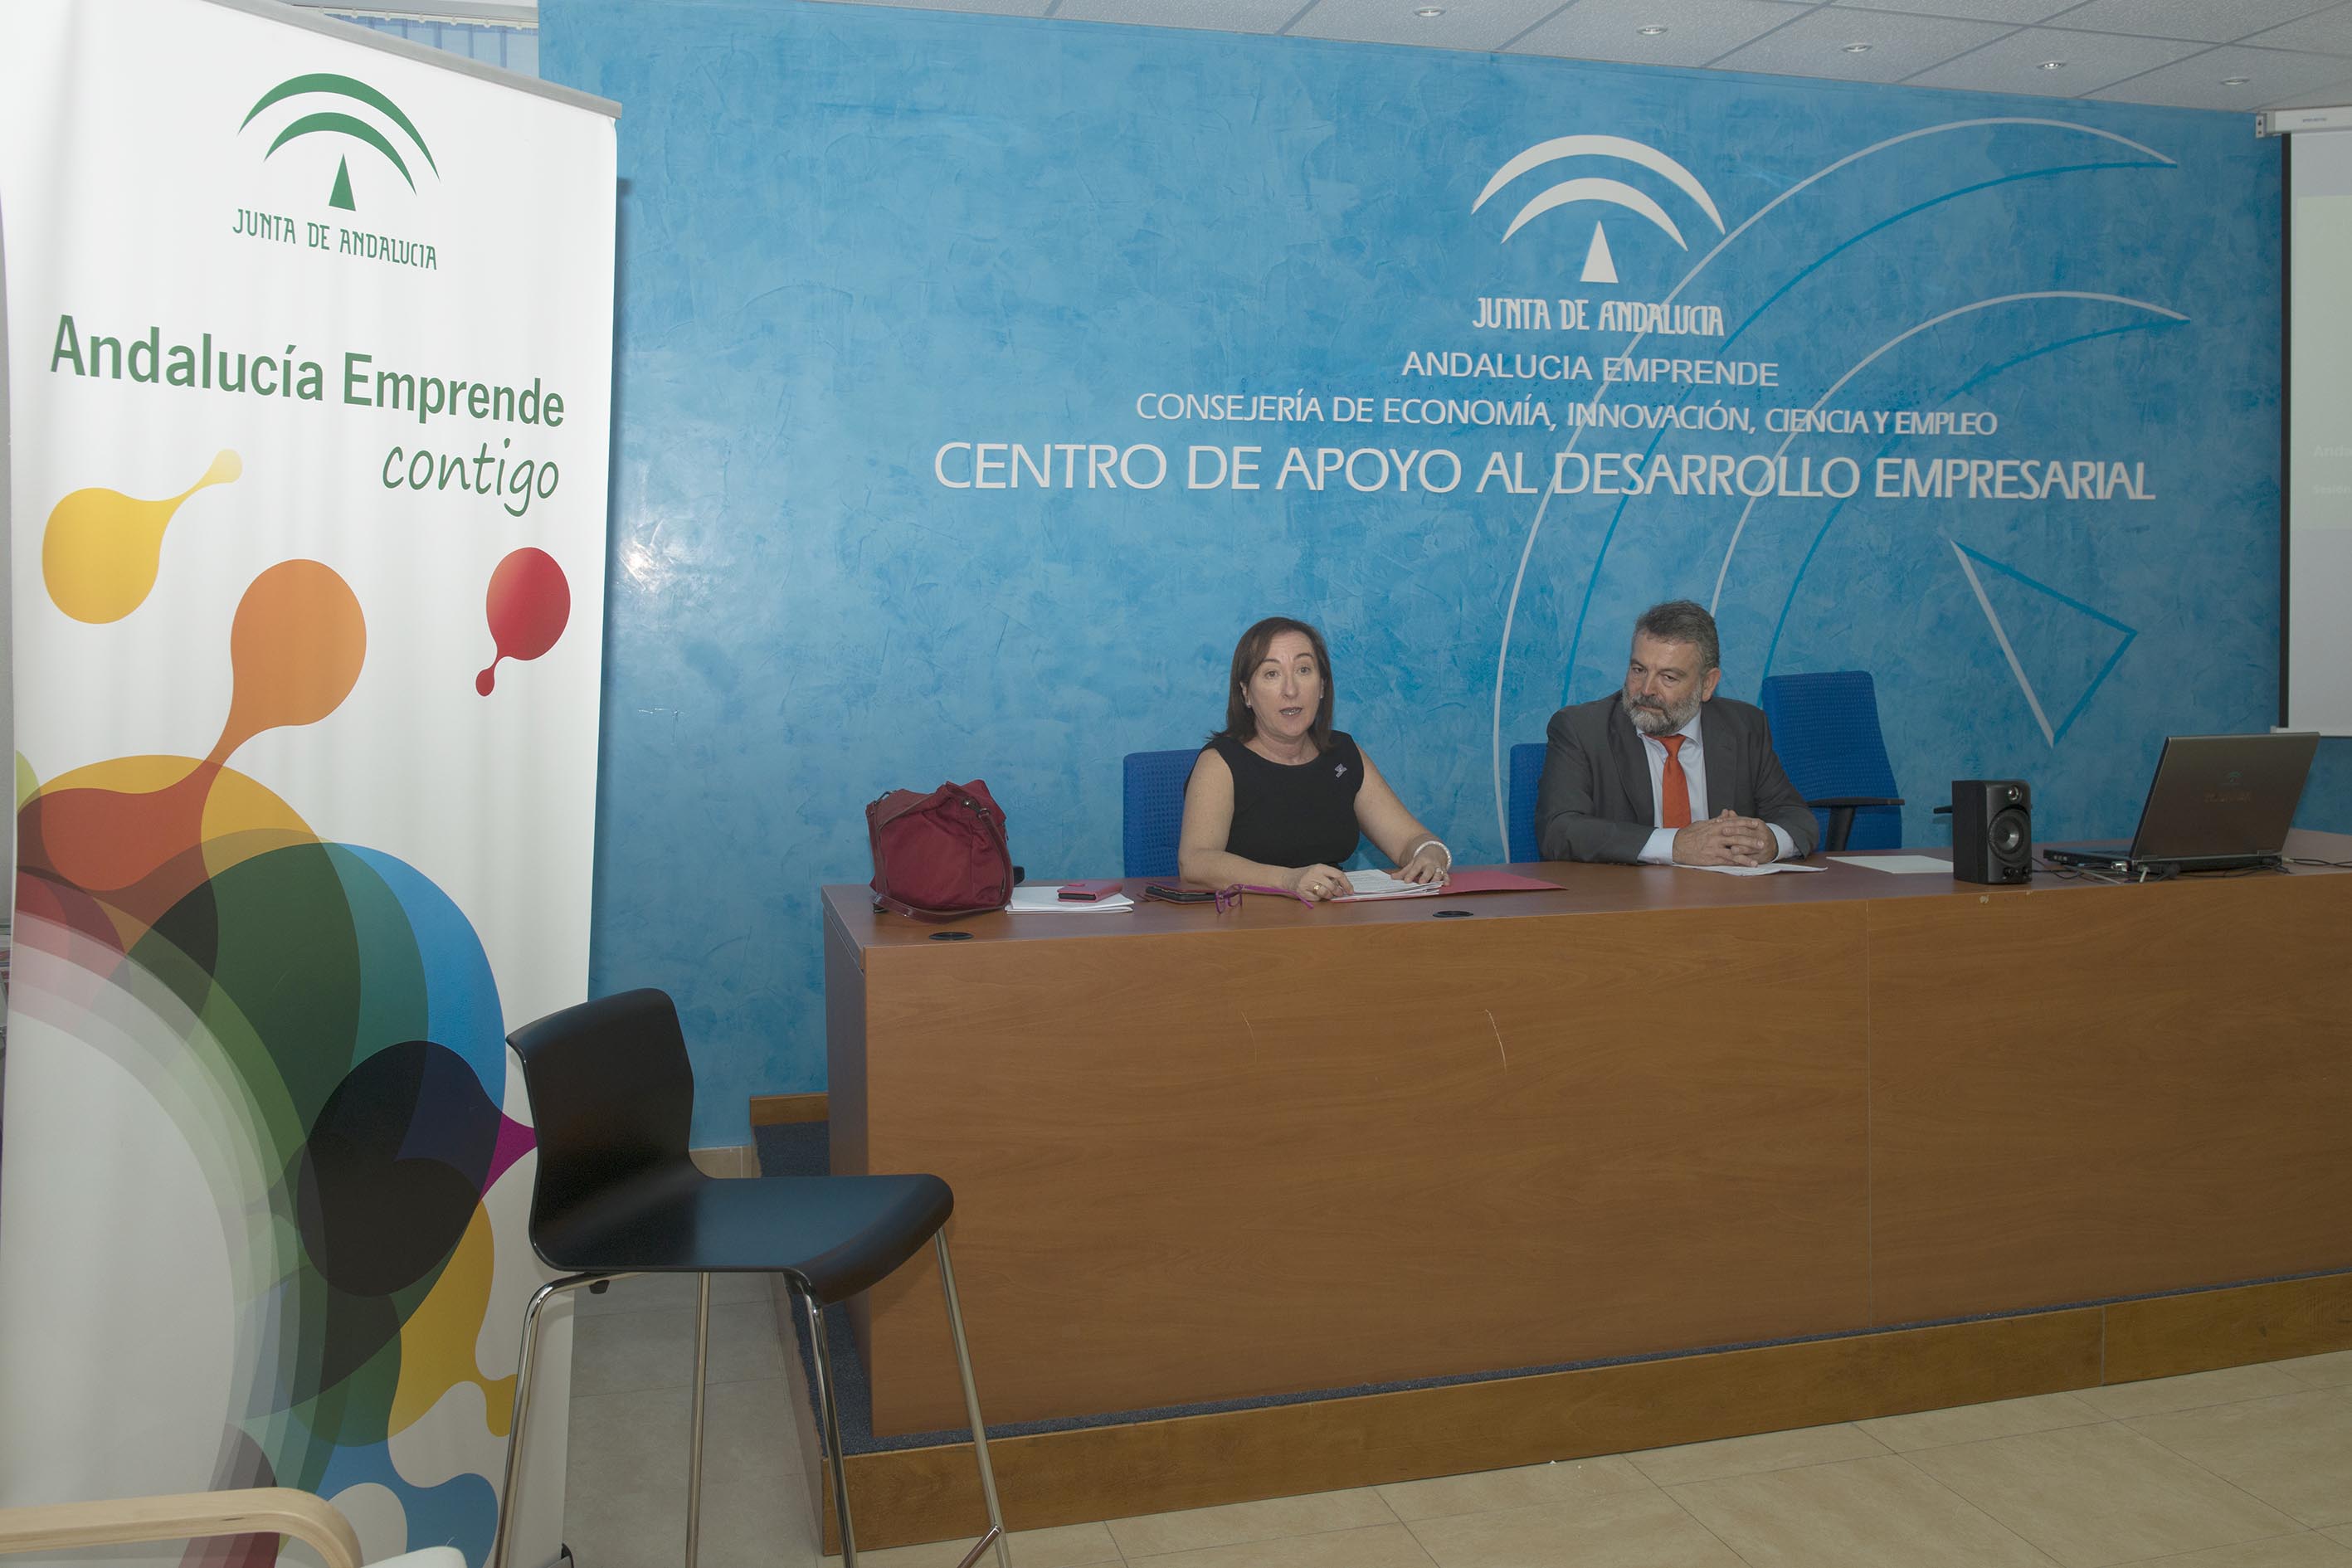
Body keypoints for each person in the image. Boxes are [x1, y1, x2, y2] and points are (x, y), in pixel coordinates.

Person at [1178, 616, 1450, 903]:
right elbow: (1195, 863)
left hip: (1333, 924)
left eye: (1304, 670)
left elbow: (1410, 840)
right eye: (1271, 674)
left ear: (1321, 686)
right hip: (1247, 924)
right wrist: (1289, 880)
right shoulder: (1221, 762)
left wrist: (1430, 854)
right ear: (1246, 692)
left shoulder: (1343, 754)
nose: (1291, 690)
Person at [1535, 600, 1819, 866]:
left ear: (1708, 684)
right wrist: (1676, 845)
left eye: (1668, 677)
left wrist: (1767, 841)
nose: (1646, 690)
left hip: (1725, 905)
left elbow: (1796, 817)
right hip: (1626, 905)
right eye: (1638, 670)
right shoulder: (1582, 729)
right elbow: (1559, 830)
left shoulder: (1744, 726)